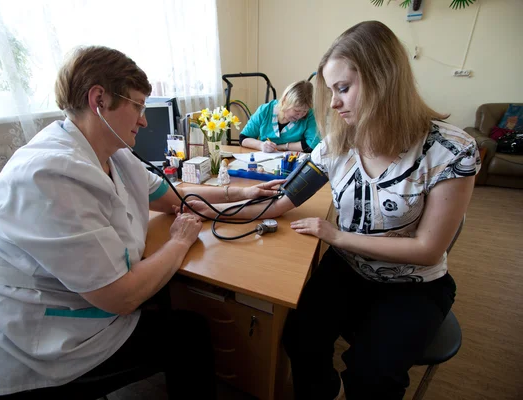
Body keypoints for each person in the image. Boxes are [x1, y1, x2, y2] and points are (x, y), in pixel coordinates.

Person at [183, 21, 480, 399]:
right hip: (350, 269)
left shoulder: (449, 150)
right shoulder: (334, 147)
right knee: (299, 338)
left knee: (373, 374)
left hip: (414, 283)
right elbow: (279, 203)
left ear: (383, 79)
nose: (334, 103)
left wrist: (337, 236)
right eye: (331, 91)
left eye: (343, 88)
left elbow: (428, 249)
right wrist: (210, 210)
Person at [0, 45, 283, 399]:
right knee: (188, 334)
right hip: (36, 347)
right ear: (99, 99)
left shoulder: (114, 154)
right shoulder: (47, 176)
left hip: (79, 312)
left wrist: (241, 194)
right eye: (138, 106)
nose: (144, 120)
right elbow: (122, 297)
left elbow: (175, 199)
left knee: (165, 293)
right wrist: (179, 242)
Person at [239, 80, 320, 153]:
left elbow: (312, 144)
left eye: (304, 111)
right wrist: (261, 145)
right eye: (297, 111)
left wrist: (281, 147)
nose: (300, 115)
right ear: (285, 100)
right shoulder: (265, 110)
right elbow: (243, 138)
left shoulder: (310, 115)